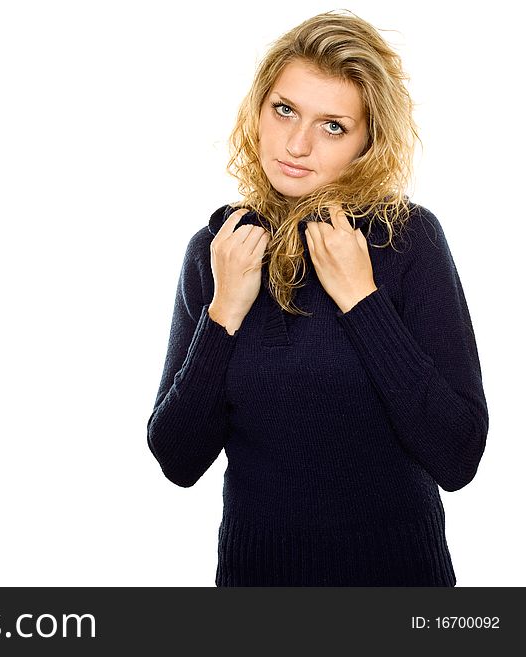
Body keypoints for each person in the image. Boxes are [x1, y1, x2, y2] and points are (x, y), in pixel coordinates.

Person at [146, 9, 489, 586]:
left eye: (333, 126)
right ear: (258, 108)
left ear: (366, 142)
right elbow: (177, 460)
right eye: (284, 110)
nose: (297, 144)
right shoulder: (219, 248)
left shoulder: (408, 240)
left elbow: (457, 456)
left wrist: (363, 302)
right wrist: (224, 312)